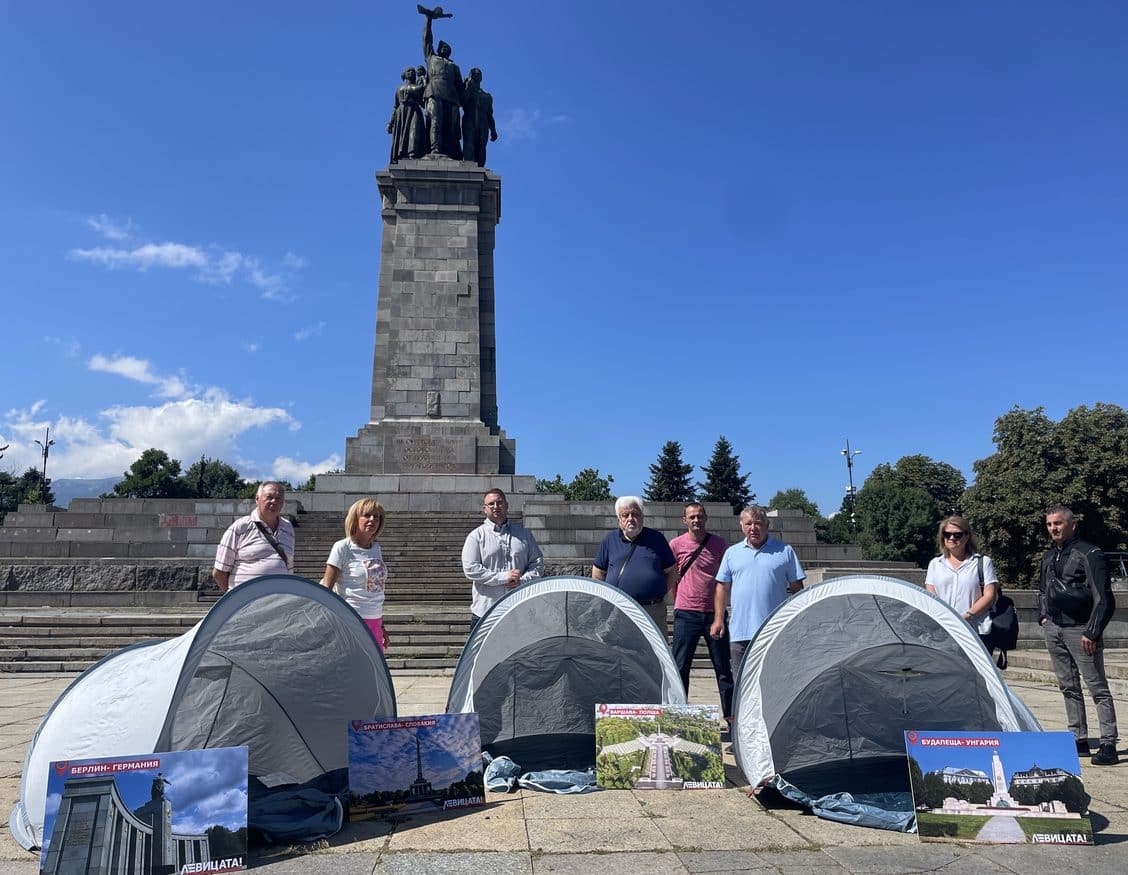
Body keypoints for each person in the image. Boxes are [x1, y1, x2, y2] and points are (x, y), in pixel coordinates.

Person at [1040, 505, 1119, 765]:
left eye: (1059, 523)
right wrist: (1044, 618)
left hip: (1081, 629)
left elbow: (1104, 598)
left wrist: (1092, 631)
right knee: (1068, 687)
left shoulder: (1089, 553)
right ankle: (1078, 738)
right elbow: (1042, 590)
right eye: (1050, 524)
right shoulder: (1049, 556)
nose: (1054, 528)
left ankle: (1108, 741)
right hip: (1055, 628)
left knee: (1097, 687)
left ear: (1072, 525)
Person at [711, 506, 804, 672]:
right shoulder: (732, 553)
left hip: (774, 631)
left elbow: (798, 589)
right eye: (748, 524)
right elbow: (722, 587)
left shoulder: (785, 551)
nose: (753, 528)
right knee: (742, 686)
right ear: (741, 526)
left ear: (767, 525)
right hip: (740, 632)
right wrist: (718, 619)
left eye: (758, 523)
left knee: (774, 680)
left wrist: (798, 619)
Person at [669, 502, 733, 726]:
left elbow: (724, 579)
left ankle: (731, 719)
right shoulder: (676, 545)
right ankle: (678, 719)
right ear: (684, 520)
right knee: (680, 668)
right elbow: (671, 576)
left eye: (700, 516)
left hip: (713, 614)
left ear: (706, 519)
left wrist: (720, 613)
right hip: (686, 613)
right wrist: (680, 598)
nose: (696, 520)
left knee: (723, 668)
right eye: (692, 517)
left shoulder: (719, 544)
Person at [461, 488, 543, 631]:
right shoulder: (476, 536)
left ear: (506, 505)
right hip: (486, 611)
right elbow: (471, 569)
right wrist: (504, 577)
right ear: (484, 509)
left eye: (499, 502)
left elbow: (537, 564)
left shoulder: (524, 534)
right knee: (483, 653)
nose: (495, 507)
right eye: (491, 504)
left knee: (521, 653)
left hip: (519, 608)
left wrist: (522, 581)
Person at [593, 496, 677, 630]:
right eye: (625, 515)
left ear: (642, 517)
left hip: (652, 610)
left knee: (653, 650)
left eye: (635, 514)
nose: (630, 519)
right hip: (618, 610)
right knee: (618, 649)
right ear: (619, 519)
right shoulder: (609, 539)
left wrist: (659, 592)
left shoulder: (657, 539)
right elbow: (598, 573)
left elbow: (672, 571)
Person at [322, 498, 390, 651]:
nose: (372, 519)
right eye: (367, 515)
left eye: (377, 516)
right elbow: (327, 588)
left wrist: (382, 626)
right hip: (351, 620)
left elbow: (376, 589)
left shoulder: (376, 548)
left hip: (375, 619)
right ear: (355, 518)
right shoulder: (342, 547)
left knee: (372, 672)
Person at [925, 515, 998, 649]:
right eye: (947, 534)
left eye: (957, 535)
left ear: (967, 536)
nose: (951, 538)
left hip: (976, 630)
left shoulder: (982, 562)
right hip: (943, 631)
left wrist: (967, 617)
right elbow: (932, 597)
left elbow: (989, 596)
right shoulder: (935, 564)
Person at [212, 481, 294, 593]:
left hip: (277, 602)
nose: (274, 501)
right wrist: (233, 599)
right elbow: (219, 572)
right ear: (257, 499)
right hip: (245, 603)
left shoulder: (288, 528)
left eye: (278, 498)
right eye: (269, 497)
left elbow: (288, 567)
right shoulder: (240, 527)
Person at [420, 5, 464, 158]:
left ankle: (450, 151)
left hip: (451, 96)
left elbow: (460, 86)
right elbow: (427, 39)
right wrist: (429, 20)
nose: (446, 49)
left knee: (451, 126)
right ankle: (435, 149)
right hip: (434, 91)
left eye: (448, 48)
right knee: (435, 122)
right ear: (439, 49)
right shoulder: (431, 57)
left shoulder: (454, 66)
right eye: (444, 47)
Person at [387, 66, 428, 162]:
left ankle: (412, 153)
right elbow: (395, 106)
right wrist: (390, 123)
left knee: (414, 131)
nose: (412, 72)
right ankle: (401, 154)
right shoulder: (399, 89)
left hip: (414, 111)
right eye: (409, 71)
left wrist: (423, 78)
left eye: (413, 71)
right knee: (402, 134)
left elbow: (423, 93)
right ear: (404, 75)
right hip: (401, 114)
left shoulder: (417, 86)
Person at [461, 67, 497, 167]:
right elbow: (462, 102)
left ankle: (480, 167)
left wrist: (493, 130)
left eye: (478, 73)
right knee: (469, 143)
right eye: (473, 73)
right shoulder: (467, 91)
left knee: (481, 146)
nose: (476, 74)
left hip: (483, 123)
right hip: (469, 119)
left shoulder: (487, 96)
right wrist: (467, 86)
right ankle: (468, 165)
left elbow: (490, 114)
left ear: (481, 78)